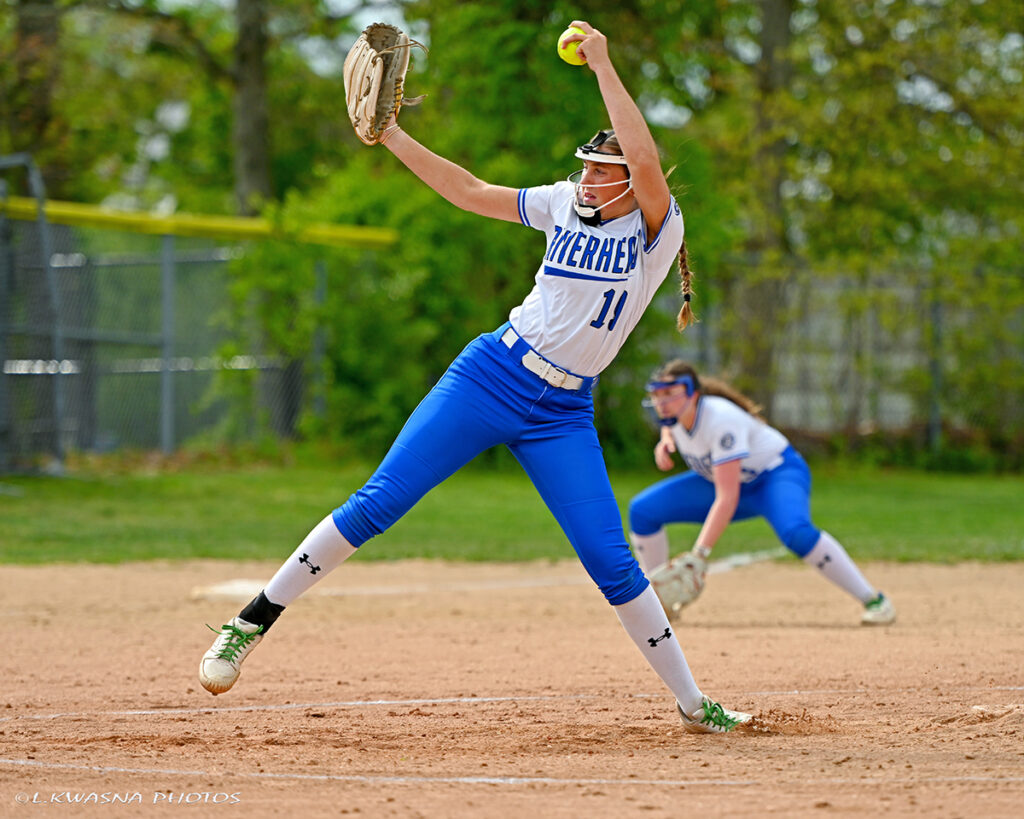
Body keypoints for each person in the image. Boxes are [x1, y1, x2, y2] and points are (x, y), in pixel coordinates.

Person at [198, 21, 753, 733]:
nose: (587, 177)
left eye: (600, 170)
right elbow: (467, 190)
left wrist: (603, 64)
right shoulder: (560, 204)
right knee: (378, 502)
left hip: (562, 413)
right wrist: (391, 136)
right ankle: (249, 623)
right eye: (585, 166)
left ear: (629, 185)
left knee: (612, 562)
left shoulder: (654, 229)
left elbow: (644, 157)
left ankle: (693, 704)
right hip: (492, 373)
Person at [629, 359, 897, 625]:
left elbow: (727, 497)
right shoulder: (675, 416)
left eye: (669, 393)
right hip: (723, 481)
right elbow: (670, 425)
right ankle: (660, 603)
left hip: (774, 476)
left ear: (693, 393)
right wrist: (665, 440)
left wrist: (699, 554)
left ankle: (874, 600)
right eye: (657, 395)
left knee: (797, 533)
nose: (661, 402)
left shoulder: (720, 420)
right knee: (643, 511)